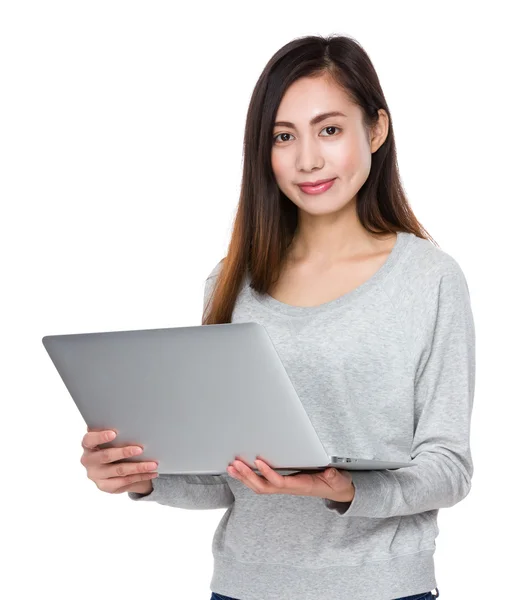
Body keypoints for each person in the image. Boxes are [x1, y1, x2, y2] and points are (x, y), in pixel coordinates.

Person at [82, 34, 475, 600]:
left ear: (377, 130)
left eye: (330, 129)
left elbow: (449, 468)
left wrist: (340, 488)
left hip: (383, 589)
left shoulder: (430, 279)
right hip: (244, 587)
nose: (307, 159)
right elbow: (226, 479)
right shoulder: (231, 282)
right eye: (283, 137)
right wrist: (138, 477)